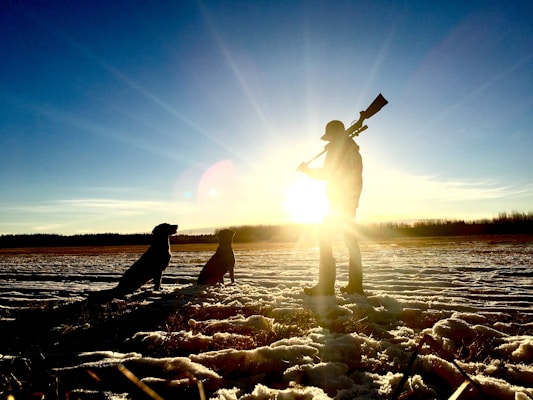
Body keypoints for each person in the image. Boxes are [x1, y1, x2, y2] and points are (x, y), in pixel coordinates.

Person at [297, 120, 364, 296]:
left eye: (330, 137)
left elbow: (328, 173)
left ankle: (326, 286)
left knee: (324, 236)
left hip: (340, 202)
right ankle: (356, 286)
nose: (328, 141)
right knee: (351, 242)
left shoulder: (339, 149)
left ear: (334, 135)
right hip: (349, 200)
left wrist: (307, 171)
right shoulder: (349, 148)